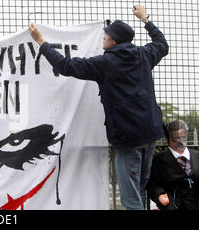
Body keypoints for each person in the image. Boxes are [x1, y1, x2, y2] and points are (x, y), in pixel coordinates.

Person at [29, 5, 169, 209]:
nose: (103, 37)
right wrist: (145, 19)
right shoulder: (144, 55)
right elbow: (162, 44)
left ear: (113, 41)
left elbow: (66, 66)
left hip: (128, 139)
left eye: (106, 35)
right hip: (151, 132)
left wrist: (41, 42)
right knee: (139, 189)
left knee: (130, 198)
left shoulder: (105, 63)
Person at [147, 120, 199, 210]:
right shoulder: (157, 160)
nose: (181, 141)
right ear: (168, 138)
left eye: (184, 137)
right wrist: (159, 195)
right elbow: (152, 184)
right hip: (172, 205)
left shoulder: (197, 156)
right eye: (176, 138)